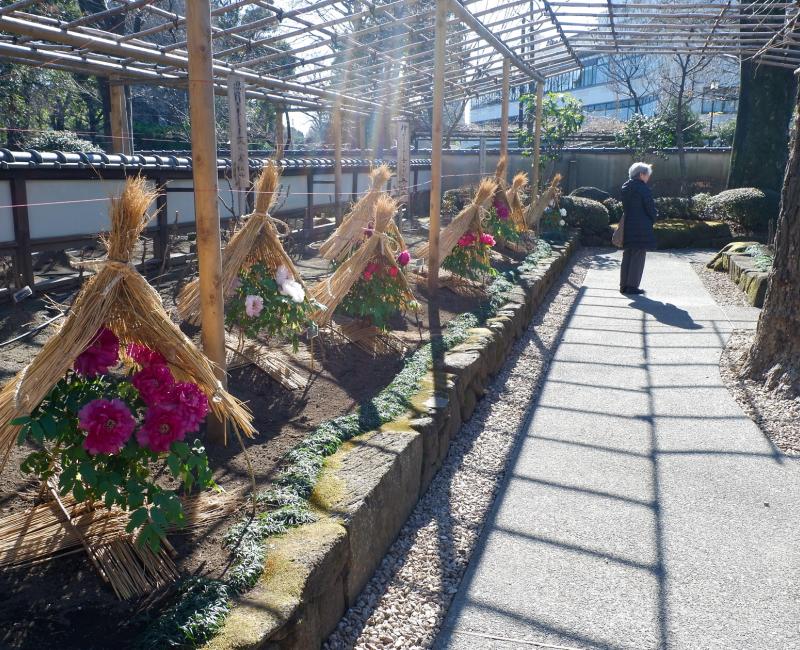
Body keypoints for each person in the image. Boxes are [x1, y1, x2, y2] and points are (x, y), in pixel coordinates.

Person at [619, 162, 658, 295]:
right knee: (638, 256)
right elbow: (650, 208)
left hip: (628, 225)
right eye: (647, 175)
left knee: (628, 254)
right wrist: (654, 218)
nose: (648, 178)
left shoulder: (625, 187)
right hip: (641, 227)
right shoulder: (643, 188)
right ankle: (632, 286)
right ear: (641, 174)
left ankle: (623, 285)